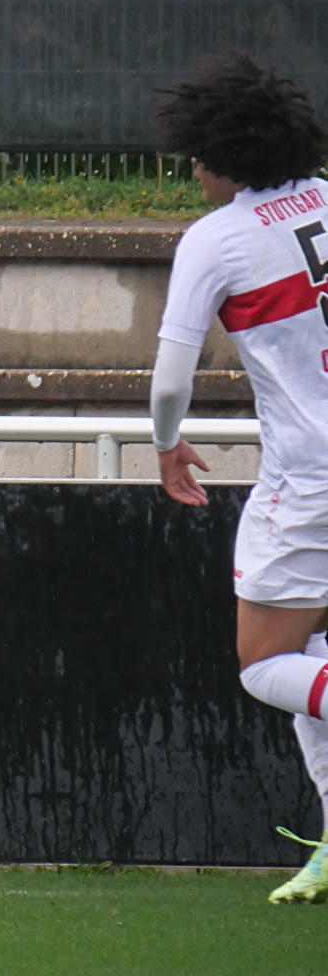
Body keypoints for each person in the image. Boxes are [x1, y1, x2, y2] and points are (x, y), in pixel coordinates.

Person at [151, 51, 328, 904]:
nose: (192, 168)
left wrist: (165, 444)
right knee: (315, 662)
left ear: (224, 152)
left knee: (265, 663)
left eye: (197, 152)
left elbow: (170, 381)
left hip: (310, 483)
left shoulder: (218, 238)